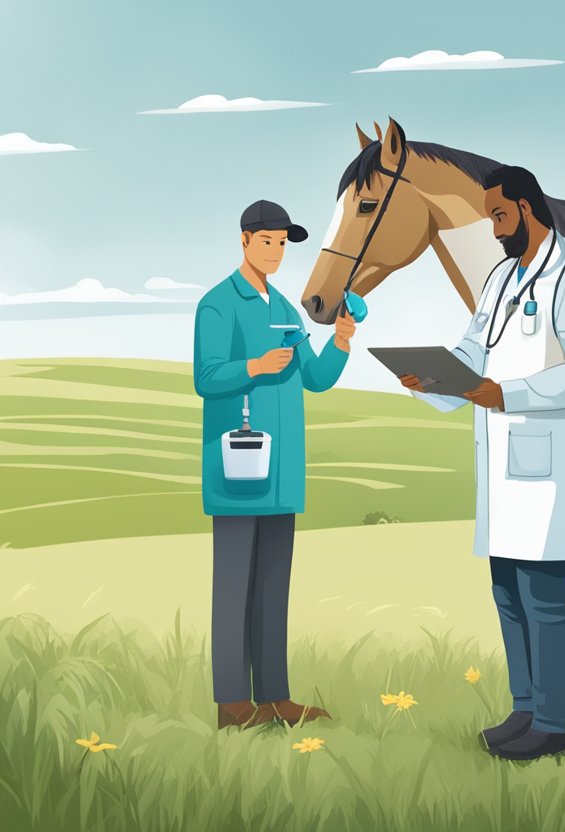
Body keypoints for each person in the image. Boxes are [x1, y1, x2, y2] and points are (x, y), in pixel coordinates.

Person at [400, 166, 565, 760]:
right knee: (508, 594)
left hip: (546, 470)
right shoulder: (500, 278)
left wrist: (509, 394)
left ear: (527, 207)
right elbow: (474, 349)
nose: (494, 230)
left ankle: (556, 726)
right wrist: (431, 380)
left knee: (546, 597)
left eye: (500, 216)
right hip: (500, 465)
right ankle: (525, 712)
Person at [193, 199, 357, 730]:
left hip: (282, 475)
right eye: (267, 241)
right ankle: (231, 703)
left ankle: (274, 697)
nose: (277, 252)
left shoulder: (287, 308)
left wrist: (342, 341)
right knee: (232, 586)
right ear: (244, 240)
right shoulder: (218, 304)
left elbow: (315, 377)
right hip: (239, 472)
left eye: (283, 243)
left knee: (271, 587)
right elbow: (207, 377)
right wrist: (256, 366)